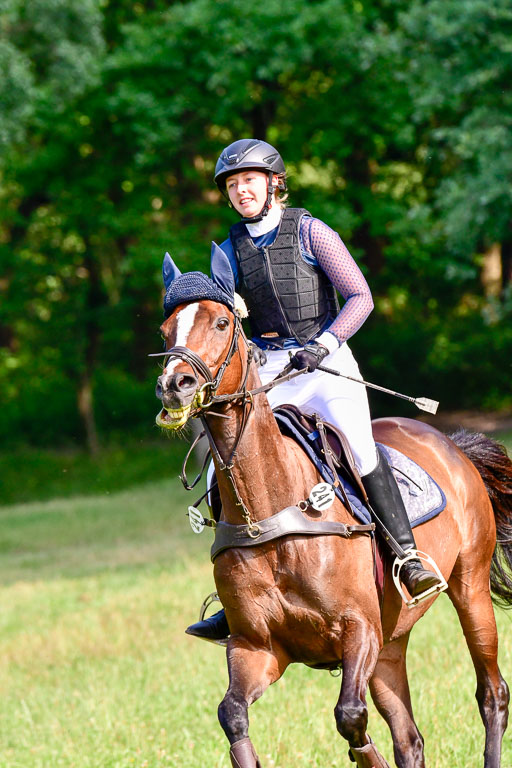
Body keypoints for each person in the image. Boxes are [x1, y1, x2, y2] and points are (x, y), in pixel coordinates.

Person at [181, 138, 443, 642]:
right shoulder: (230, 251)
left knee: (360, 448)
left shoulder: (310, 231)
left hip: (325, 363)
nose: (241, 192)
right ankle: (235, 592)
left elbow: (360, 296)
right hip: (270, 373)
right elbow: (222, 321)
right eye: (233, 185)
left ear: (274, 182)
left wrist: (324, 345)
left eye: (249, 181)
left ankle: (408, 556)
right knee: (225, 461)